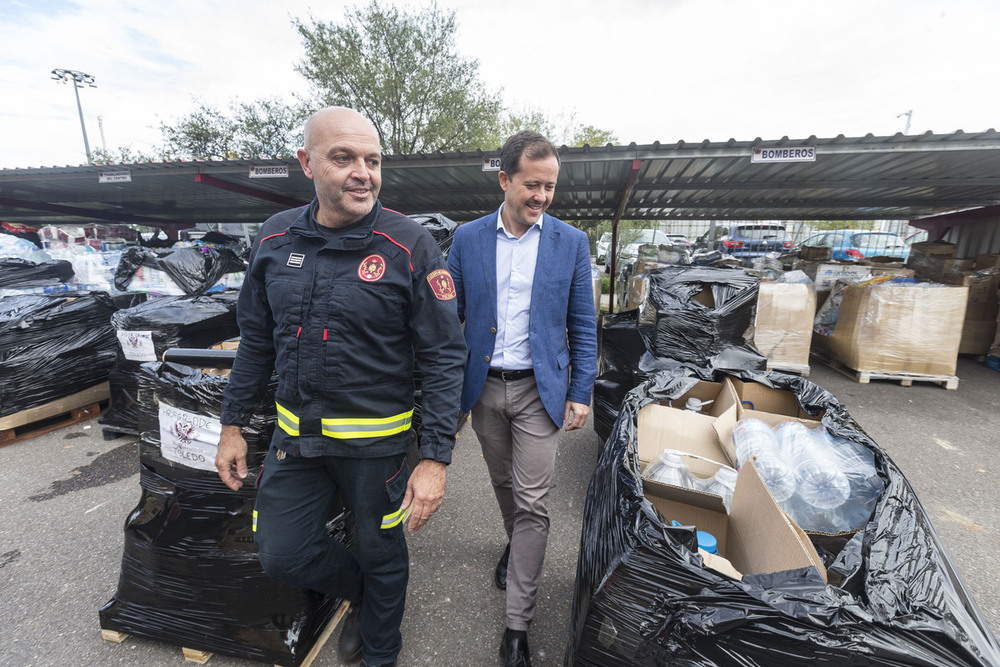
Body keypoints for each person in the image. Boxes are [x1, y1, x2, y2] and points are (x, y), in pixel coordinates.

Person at [215, 107, 466, 667]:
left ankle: (381, 650)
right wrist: (232, 426)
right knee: (282, 552)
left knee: (382, 551)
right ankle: (364, 598)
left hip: (377, 450)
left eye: (372, 161)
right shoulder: (274, 238)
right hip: (295, 442)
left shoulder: (409, 246)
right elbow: (256, 340)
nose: (362, 173)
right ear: (306, 163)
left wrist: (435, 459)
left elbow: (445, 355)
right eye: (343, 157)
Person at [447, 130, 598, 667]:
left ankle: (517, 625)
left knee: (534, 501)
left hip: (542, 390)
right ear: (505, 179)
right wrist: (446, 394)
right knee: (503, 481)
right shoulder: (466, 240)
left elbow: (583, 322)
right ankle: (516, 545)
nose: (540, 196)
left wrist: (581, 391)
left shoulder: (570, 243)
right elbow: (450, 321)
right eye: (532, 184)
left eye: (549, 187)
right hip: (484, 387)